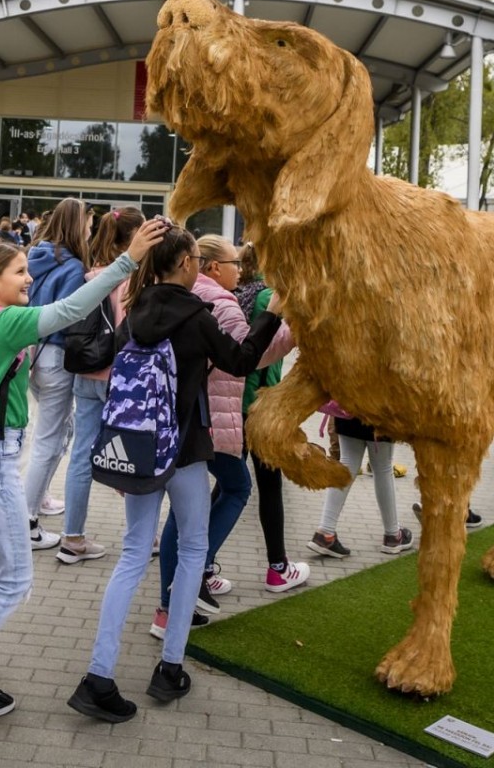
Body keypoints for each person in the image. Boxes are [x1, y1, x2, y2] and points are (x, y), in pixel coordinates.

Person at [0, 218, 167, 743]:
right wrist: (129, 259)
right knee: (14, 582)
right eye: (20, 271)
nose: (30, 279)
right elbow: (72, 310)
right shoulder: (5, 321)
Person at [68, 226, 283, 723]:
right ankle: (170, 667)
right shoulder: (195, 315)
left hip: (140, 450)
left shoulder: (135, 309)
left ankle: (99, 675)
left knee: (131, 554)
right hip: (185, 449)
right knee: (191, 549)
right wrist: (273, 315)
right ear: (187, 263)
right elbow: (241, 360)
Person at [155, 235, 295, 621]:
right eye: (234, 263)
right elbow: (244, 357)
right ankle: (192, 577)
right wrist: (288, 325)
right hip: (208, 420)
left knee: (178, 514)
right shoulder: (222, 303)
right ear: (212, 267)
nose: (241, 270)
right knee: (237, 488)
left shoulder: (170, 295)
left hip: (173, 420)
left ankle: (169, 604)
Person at [58, 206, 145, 565]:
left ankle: (72, 536)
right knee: (132, 456)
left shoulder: (90, 276)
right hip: (118, 379)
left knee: (81, 455)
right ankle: (143, 535)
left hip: (85, 374)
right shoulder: (132, 281)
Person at [233, 244, 315, 590]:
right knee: (268, 488)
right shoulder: (271, 297)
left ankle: (202, 566)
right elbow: (282, 342)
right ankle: (277, 566)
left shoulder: (235, 295)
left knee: (229, 487)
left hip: (232, 403)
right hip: (259, 403)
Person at [22, 199, 94, 544]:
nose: (91, 231)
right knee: (47, 442)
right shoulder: (74, 267)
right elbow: (72, 316)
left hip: (34, 353)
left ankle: (35, 504)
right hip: (57, 355)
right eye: (89, 224)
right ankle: (26, 521)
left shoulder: (36, 256)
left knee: (47, 437)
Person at [307, 411, 410, 557]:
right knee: (382, 469)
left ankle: (325, 532)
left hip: (347, 406)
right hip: (380, 409)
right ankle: (393, 535)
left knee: (347, 462)